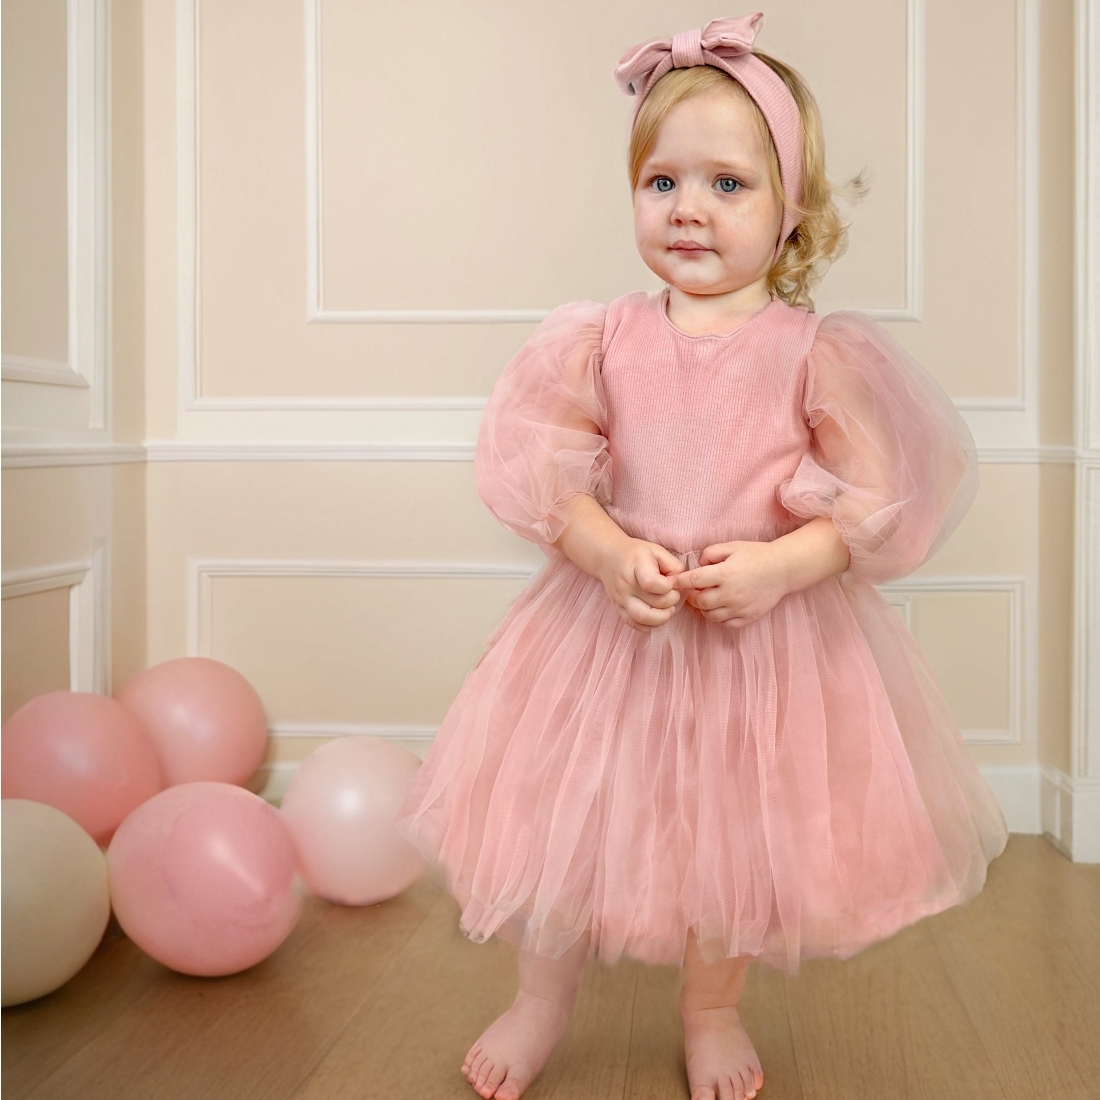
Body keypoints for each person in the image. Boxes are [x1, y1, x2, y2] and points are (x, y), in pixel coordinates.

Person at [395, 13, 1009, 1100]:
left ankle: (711, 1008)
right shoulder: (600, 339)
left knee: (732, 842)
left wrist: (779, 567)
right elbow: (549, 482)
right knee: (563, 822)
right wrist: (605, 553)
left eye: (728, 184)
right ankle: (538, 1000)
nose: (688, 207)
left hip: (752, 646)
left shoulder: (815, 354)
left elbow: (875, 508)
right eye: (662, 181)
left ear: (791, 209)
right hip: (608, 636)